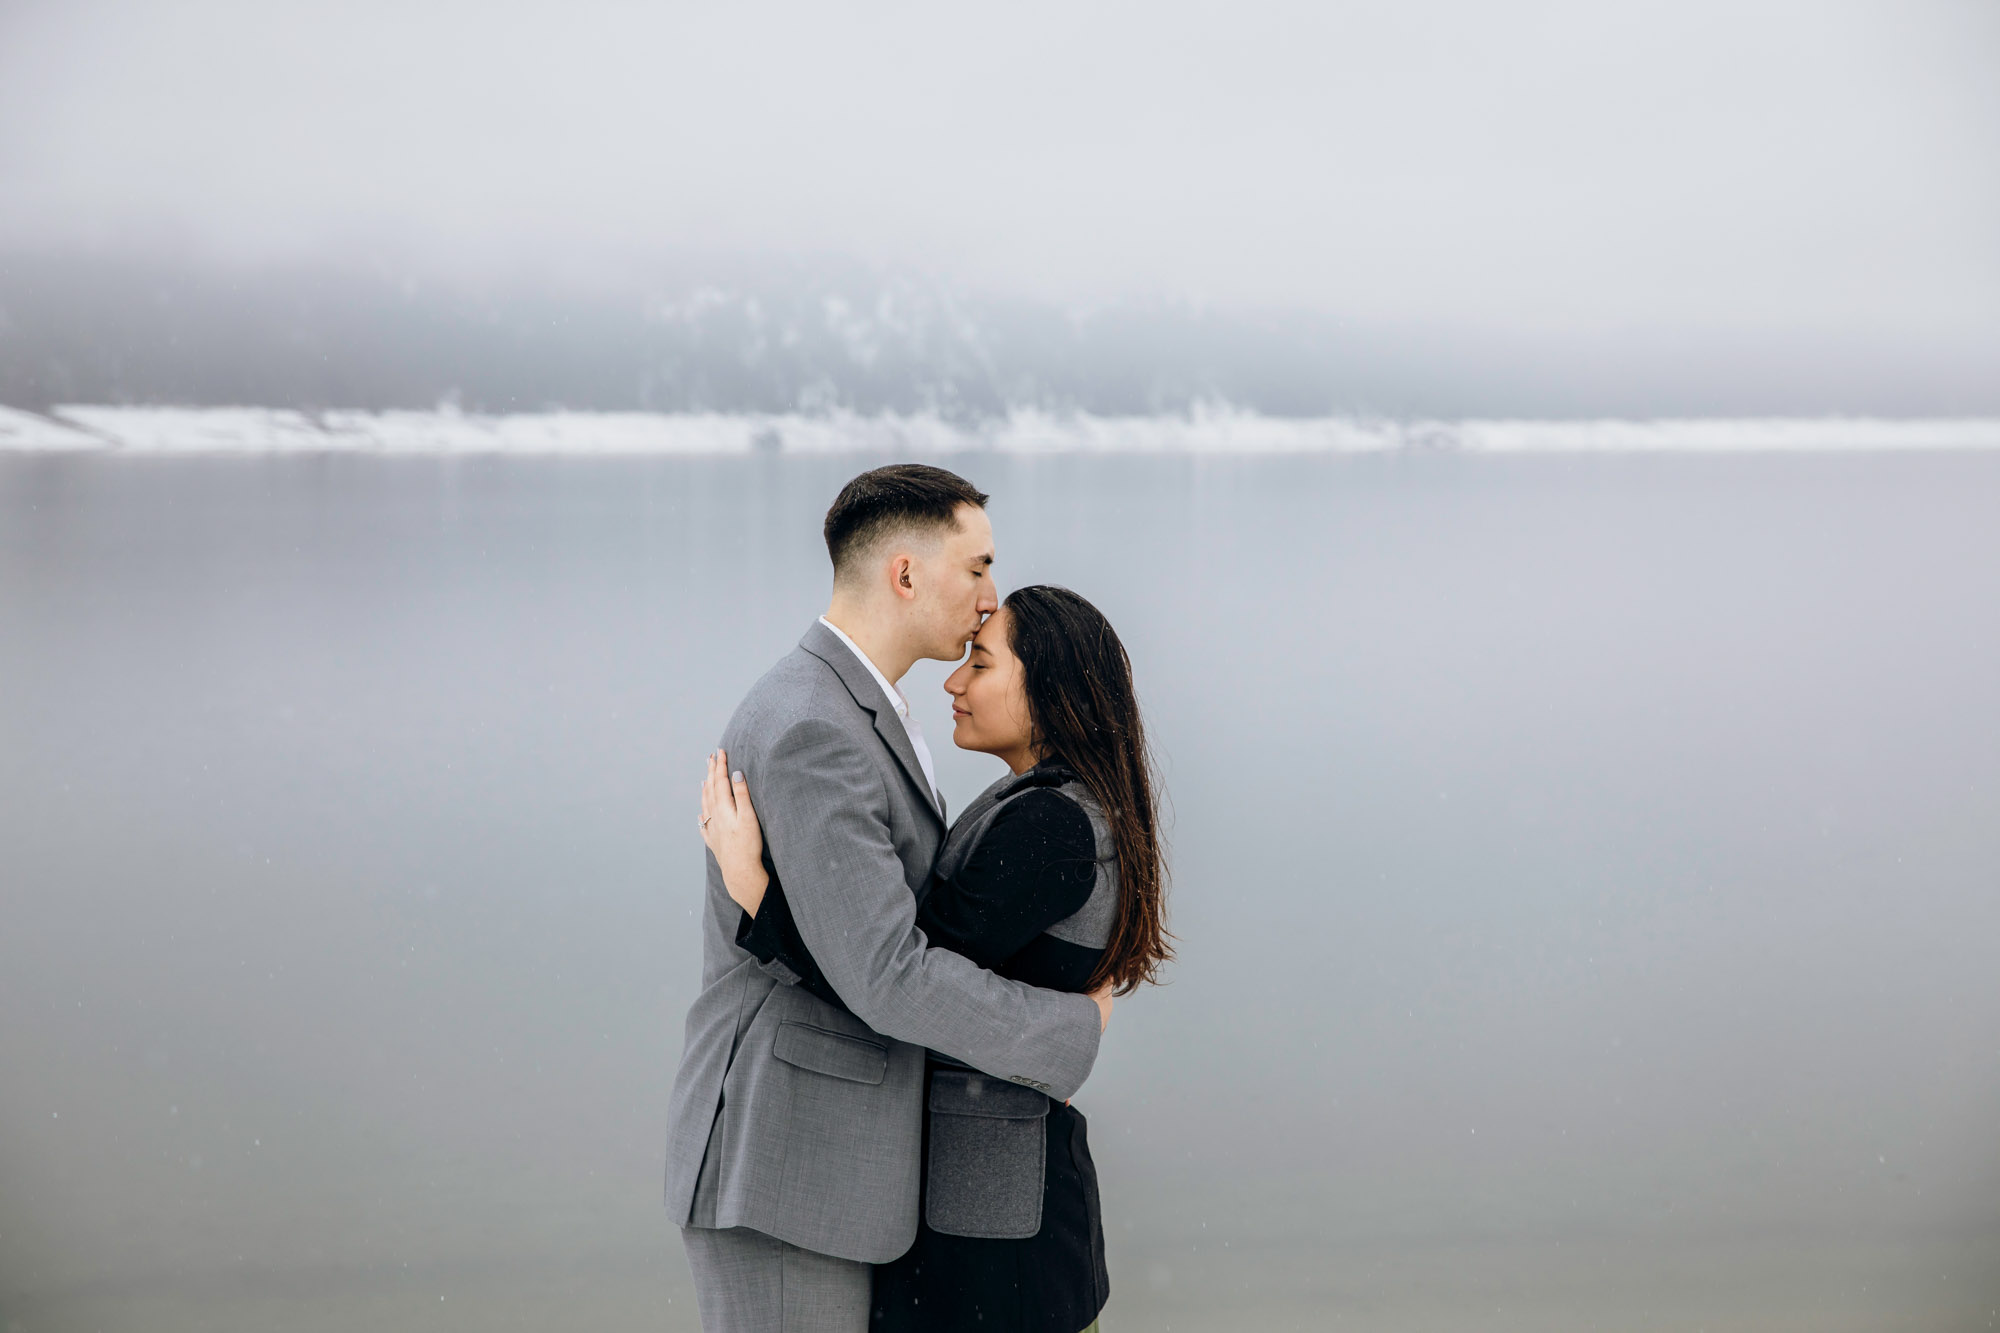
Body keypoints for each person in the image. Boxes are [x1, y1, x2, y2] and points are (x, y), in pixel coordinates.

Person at [664, 465, 1116, 1333]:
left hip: (829, 1168)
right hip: (787, 1165)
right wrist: (1069, 1031)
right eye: (977, 566)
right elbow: (885, 973)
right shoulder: (813, 726)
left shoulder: (862, 708)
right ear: (906, 573)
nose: (990, 596)